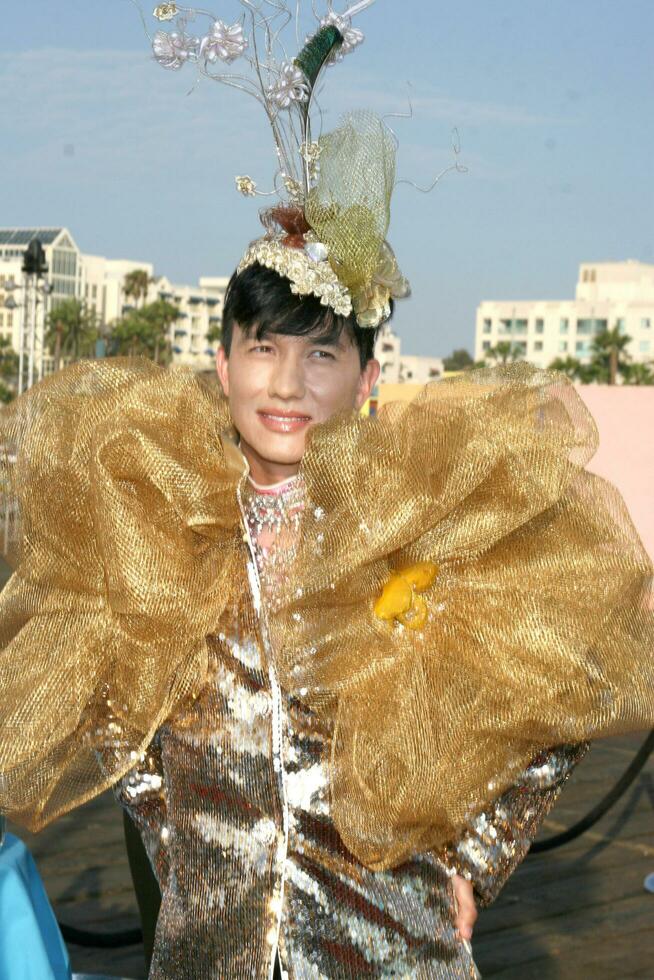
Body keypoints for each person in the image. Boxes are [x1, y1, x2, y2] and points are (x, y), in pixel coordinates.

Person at [1, 3, 653, 978]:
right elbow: (111, 695)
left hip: (390, 948)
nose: (289, 382)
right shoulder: (167, 525)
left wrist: (474, 857)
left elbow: (562, 692)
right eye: (263, 348)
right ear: (221, 364)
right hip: (209, 950)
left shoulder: (418, 528)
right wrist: (178, 834)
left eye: (321, 354)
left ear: (367, 377)